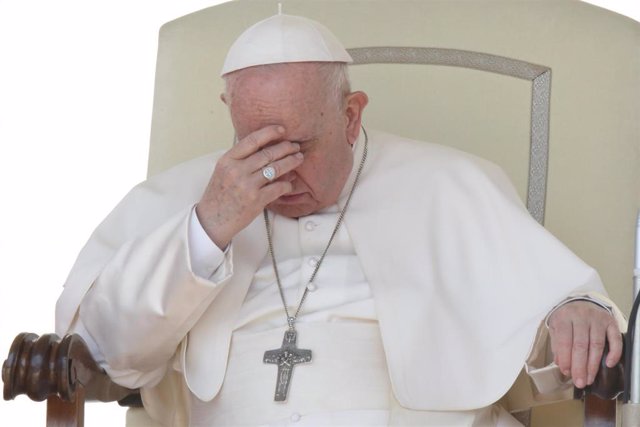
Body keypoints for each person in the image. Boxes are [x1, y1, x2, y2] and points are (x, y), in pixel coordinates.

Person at [55, 13, 624, 426]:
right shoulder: (181, 196)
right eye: (254, 146)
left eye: (299, 145)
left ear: (351, 116)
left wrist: (577, 309)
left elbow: (562, 301)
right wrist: (208, 228)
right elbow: (102, 350)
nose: (275, 174)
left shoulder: (450, 182)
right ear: (229, 114)